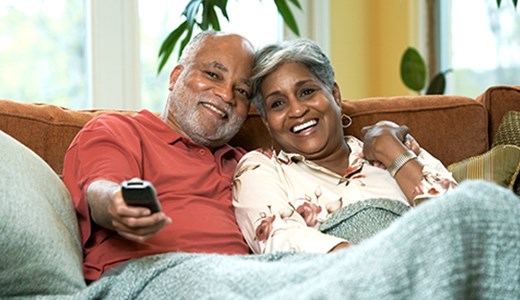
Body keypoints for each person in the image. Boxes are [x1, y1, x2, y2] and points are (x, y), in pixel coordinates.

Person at [232, 38, 458, 254]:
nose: (297, 110)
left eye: (307, 92)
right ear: (267, 122)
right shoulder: (260, 169)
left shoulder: (393, 146)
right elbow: (280, 243)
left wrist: (393, 153)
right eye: (278, 103)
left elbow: (461, 221)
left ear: (335, 95)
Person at [62, 30, 256, 282]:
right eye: (213, 75)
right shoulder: (119, 130)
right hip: (146, 277)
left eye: (242, 91)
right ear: (176, 77)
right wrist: (119, 203)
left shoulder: (248, 165)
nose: (227, 96)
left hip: (246, 279)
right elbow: (100, 188)